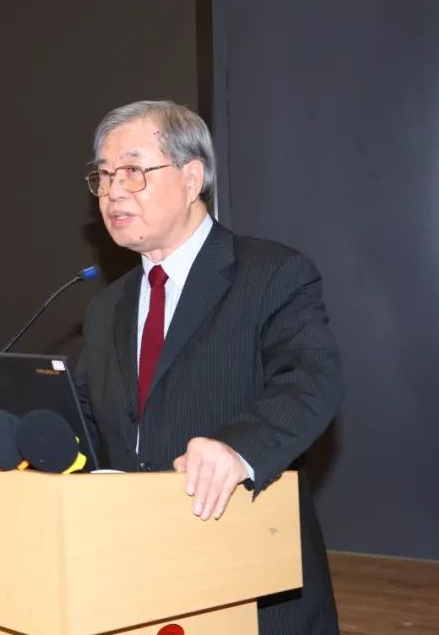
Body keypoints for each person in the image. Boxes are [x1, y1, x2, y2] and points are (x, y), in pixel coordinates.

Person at [77, 100, 342, 634]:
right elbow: (90, 417)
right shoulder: (108, 306)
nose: (112, 192)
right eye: (103, 176)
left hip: (247, 575)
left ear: (192, 177)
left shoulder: (271, 274)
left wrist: (238, 449)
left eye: (132, 171)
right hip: (133, 578)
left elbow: (309, 381)